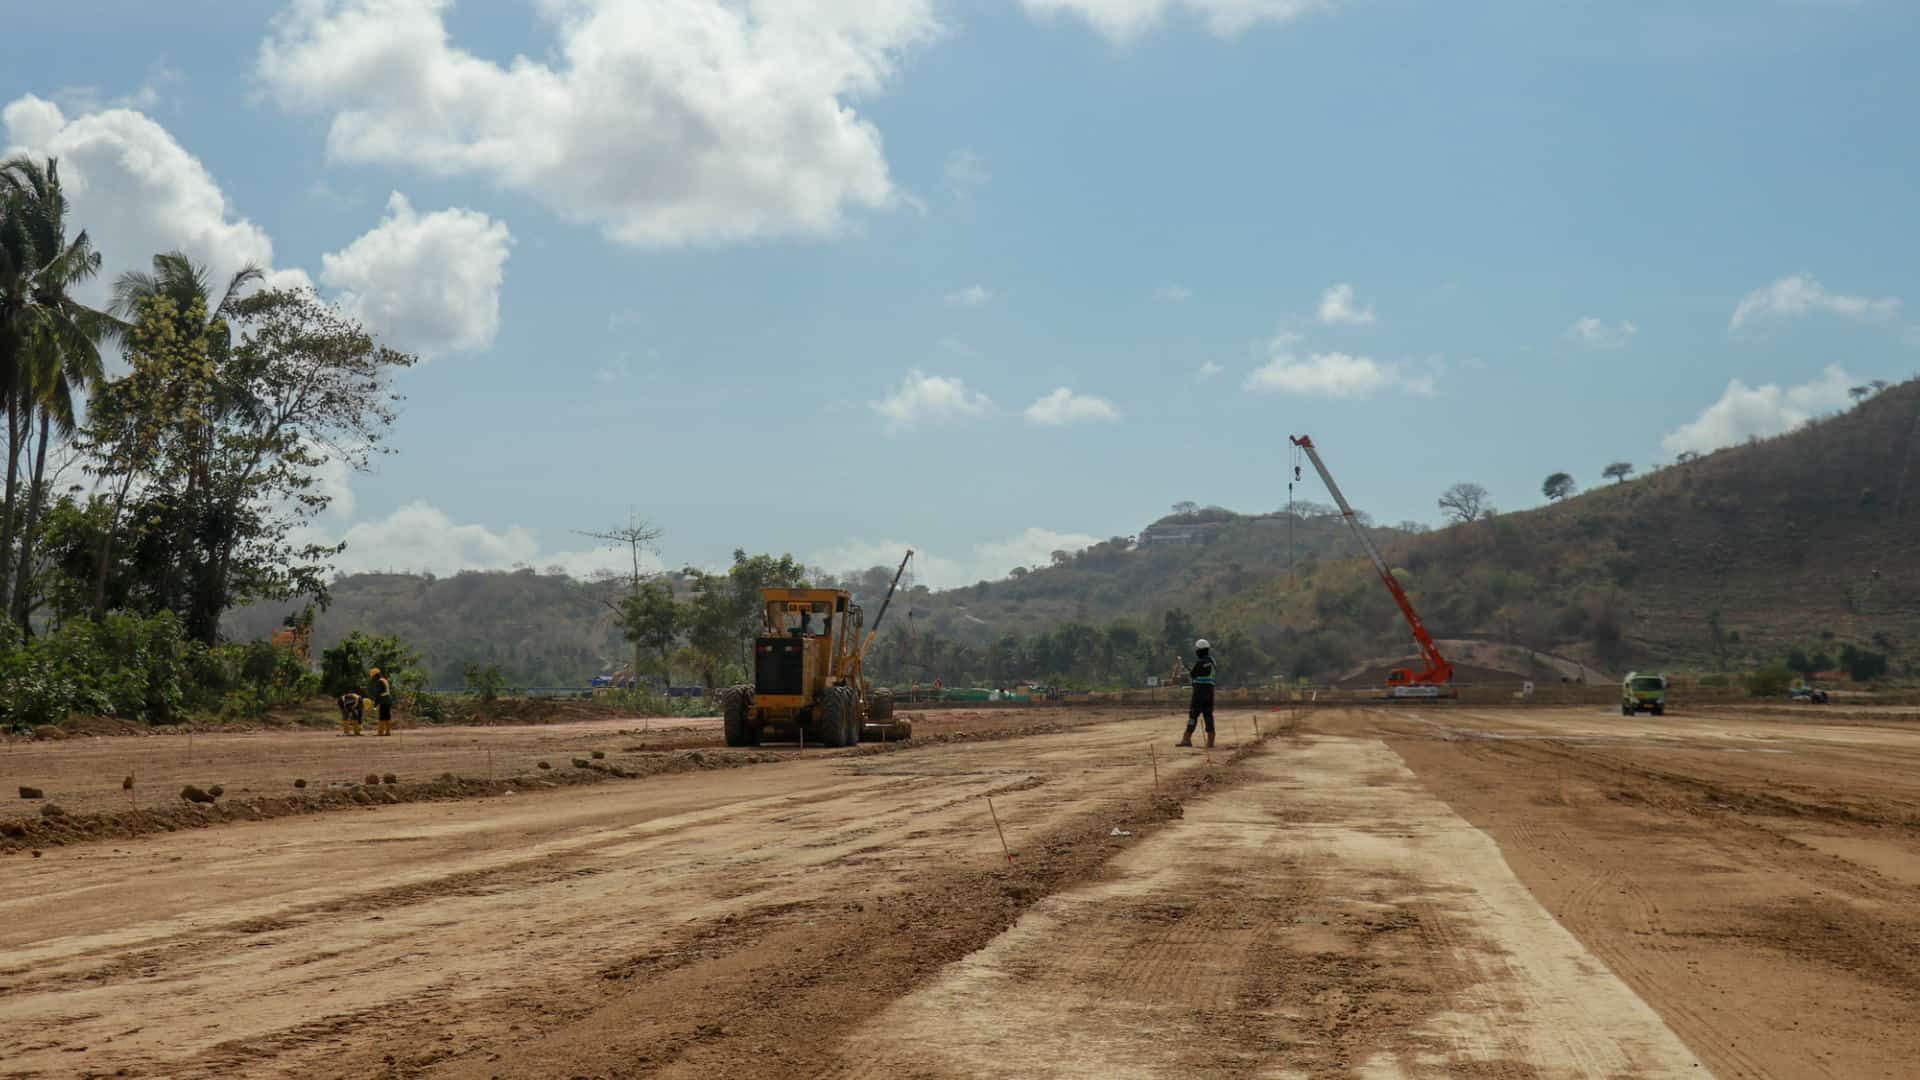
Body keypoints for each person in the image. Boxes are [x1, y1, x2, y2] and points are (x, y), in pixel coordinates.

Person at [1177, 639, 1217, 748]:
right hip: (1210, 692)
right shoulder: (1213, 661)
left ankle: (1186, 739)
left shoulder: (1199, 662)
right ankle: (1210, 741)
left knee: (1193, 715)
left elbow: (1192, 675)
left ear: (1199, 650)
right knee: (1208, 715)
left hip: (1199, 693)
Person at [369, 667, 395, 737]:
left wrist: (375, 705)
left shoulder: (379, 681)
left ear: (375, 676)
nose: (373, 679)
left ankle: (380, 732)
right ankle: (388, 732)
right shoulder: (384, 680)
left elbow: (378, 694)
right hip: (388, 700)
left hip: (383, 701)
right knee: (387, 717)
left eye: (373, 677)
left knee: (382, 717)